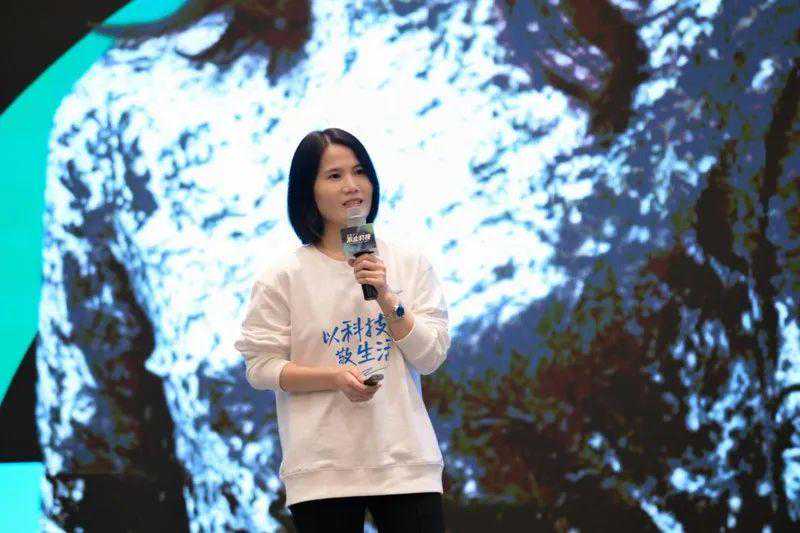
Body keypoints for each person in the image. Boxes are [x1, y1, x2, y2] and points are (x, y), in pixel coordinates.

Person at [233, 128, 451, 532]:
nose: (352, 185)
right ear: (308, 191)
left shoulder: (408, 262)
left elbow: (430, 356)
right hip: (322, 471)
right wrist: (333, 378)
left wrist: (386, 296)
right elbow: (261, 367)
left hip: (406, 464)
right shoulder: (283, 276)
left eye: (359, 171)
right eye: (334, 176)